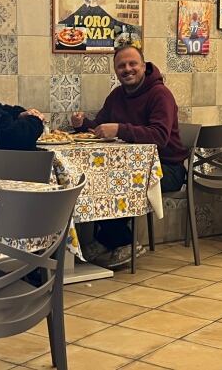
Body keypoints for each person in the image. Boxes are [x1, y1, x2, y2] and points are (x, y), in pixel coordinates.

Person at [71, 44, 188, 268]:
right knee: (95, 180)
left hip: (167, 168)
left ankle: (121, 241)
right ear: (116, 71)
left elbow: (160, 137)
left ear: (143, 66)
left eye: (132, 64)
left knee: (114, 183)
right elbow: (100, 127)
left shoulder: (160, 94)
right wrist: (82, 124)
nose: (127, 69)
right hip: (129, 169)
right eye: (121, 66)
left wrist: (120, 129)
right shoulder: (117, 95)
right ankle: (110, 239)